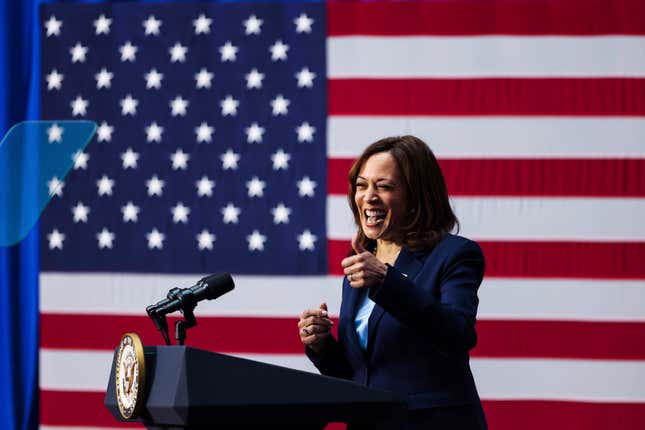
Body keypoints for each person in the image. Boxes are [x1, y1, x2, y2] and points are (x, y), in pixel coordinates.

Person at [298, 135, 488, 429]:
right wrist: (322, 345)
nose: (368, 197)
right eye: (361, 186)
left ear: (416, 196)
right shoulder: (362, 260)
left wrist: (387, 281)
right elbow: (362, 374)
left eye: (384, 186)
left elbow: (458, 333)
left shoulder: (455, 255)